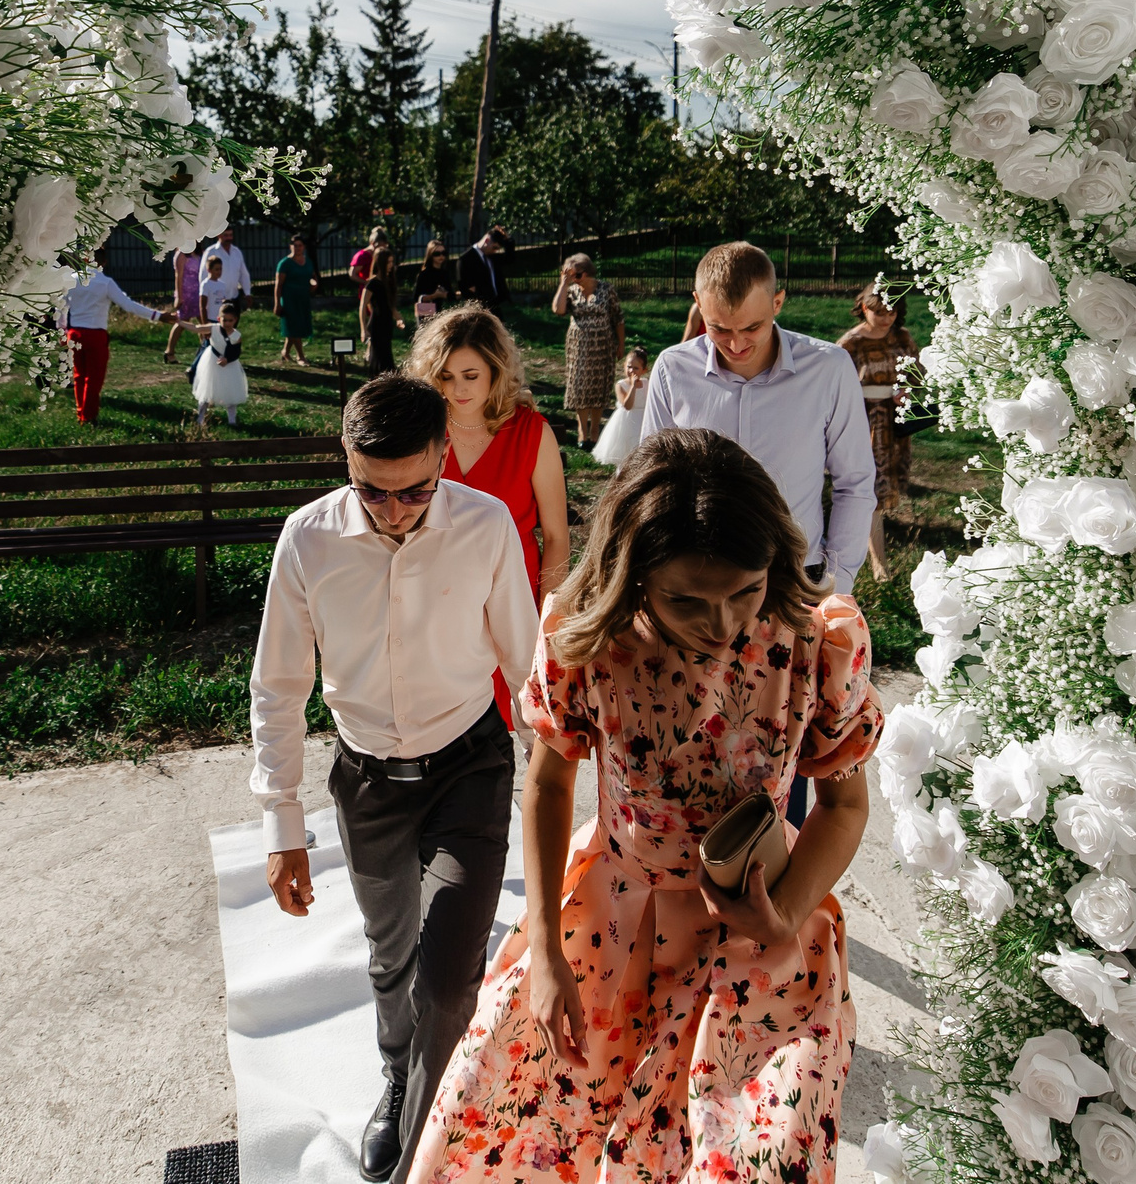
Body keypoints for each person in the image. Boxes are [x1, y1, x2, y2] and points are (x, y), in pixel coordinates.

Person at [406, 429, 883, 1184]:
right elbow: (550, 783)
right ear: (633, 575)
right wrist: (544, 951)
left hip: (761, 930)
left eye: (745, 591)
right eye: (687, 599)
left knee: (750, 1157)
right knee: (522, 1118)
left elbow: (846, 805)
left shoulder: (821, 641)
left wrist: (787, 909)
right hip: (611, 914)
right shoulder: (583, 636)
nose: (723, 623)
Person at [251, 376, 541, 1183]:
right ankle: (396, 1072)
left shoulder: (484, 526)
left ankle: (424, 1139)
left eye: (416, 488)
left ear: (446, 453)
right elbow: (278, 684)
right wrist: (282, 825)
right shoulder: (307, 539)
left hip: (468, 768)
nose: (396, 509)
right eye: (372, 491)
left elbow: (526, 664)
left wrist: (556, 780)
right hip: (368, 779)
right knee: (391, 959)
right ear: (345, 460)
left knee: (449, 982)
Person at [638, 241, 875, 827]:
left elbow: (854, 484)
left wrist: (833, 585)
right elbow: (648, 485)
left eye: (753, 326)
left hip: (788, 597)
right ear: (697, 305)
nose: (738, 343)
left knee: (776, 767)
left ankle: (772, 900)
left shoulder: (828, 370)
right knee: (681, 759)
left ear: (780, 302)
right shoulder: (673, 369)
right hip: (689, 600)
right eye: (720, 329)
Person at [407, 305, 570, 726]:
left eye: (470, 376)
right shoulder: (419, 431)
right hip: (437, 606)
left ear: (495, 371)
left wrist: (547, 619)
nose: (457, 389)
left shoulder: (532, 431)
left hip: (514, 600)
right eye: (445, 376)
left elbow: (555, 535)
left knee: (530, 727)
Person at [838, 281, 919, 581]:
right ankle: (878, 562)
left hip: (894, 420)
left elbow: (915, 371)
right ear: (863, 308)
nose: (886, 318)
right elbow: (836, 386)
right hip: (864, 421)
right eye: (879, 312)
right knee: (871, 488)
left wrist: (905, 390)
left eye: (892, 312)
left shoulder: (902, 337)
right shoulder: (850, 344)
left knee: (887, 485)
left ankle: (877, 536)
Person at [57, 247, 176, 425]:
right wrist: (158, 315)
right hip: (95, 333)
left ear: (85, 260)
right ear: (104, 263)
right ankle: (89, 416)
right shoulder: (105, 283)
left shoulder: (72, 280)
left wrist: (62, 331)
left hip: (74, 333)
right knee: (94, 378)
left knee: (79, 375)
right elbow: (128, 305)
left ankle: (81, 413)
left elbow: (61, 308)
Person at [548, 253, 621, 448]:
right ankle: (582, 430)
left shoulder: (606, 290)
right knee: (579, 386)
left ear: (587, 273)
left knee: (598, 387)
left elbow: (618, 319)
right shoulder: (571, 291)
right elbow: (558, 310)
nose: (574, 279)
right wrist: (564, 284)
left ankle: (595, 430)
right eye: (570, 276)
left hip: (602, 345)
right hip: (578, 346)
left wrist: (620, 344)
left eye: (576, 275)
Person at [587, 346, 648, 467]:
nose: (631, 371)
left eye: (636, 368)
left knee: (641, 450)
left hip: (642, 419)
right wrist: (633, 387)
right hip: (626, 421)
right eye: (629, 367)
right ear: (624, 365)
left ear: (644, 370)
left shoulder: (647, 383)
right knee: (624, 452)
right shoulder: (621, 385)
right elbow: (628, 405)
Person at [194, 298, 249, 427]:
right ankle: (200, 418)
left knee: (230, 392)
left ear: (235, 320)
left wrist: (227, 359)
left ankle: (232, 420)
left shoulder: (236, 335)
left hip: (230, 366)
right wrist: (180, 322)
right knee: (206, 390)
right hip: (211, 362)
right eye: (225, 320)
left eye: (231, 320)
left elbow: (236, 352)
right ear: (219, 319)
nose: (228, 323)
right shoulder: (214, 329)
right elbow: (196, 328)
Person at [359, 234, 404, 375]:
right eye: (388, 262)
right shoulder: (372, 283)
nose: (391, 265)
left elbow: (390, 305)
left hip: (387, 324)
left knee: (386, 358)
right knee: (381, 361)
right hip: (376, 325)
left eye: (392, 262)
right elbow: (362, 306)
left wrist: (399, 319)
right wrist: (363, 329)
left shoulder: (388, 282)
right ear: (380, 263)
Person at [273, 233, 316, 365]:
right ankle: (300, 356)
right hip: (289, 299)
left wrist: (315, 283)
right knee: (294, 326)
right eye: (295, 245)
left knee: (298, 327)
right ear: (290, 246)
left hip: (303, 299)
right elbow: (278, 285)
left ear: (304, 247)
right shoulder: (285, 263)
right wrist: (277, 303)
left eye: (300, 246)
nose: (297, 248)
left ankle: (285, 351)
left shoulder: (307, 261)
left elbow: (312, 276)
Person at [163, 240, 206, 362]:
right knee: (182, 321)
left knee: (203, 322)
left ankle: (204, 350)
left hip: (198, 291)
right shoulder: (181, 254)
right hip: (186, 293)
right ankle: (169, 351)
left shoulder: (199, 253)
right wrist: (179, 296)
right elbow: (179, 275)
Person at [457, 227, 508, 311]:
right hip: (478, 307)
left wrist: (508, 240)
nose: (495, 251)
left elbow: (509, 259)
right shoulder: (465, 259)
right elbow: (465, 288)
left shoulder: (491, 257)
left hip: (495, 304)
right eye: (494, 248)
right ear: (487, 241)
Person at [413, 238, 453, 320]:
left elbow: (451, 294)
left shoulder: (444, 273)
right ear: (430, 255)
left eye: (443, 253)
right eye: (437, 253)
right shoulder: (424, 274)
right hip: (427, 311)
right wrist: (434, 296)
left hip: (441, 311)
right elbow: (417, 298)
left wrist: (446, 295)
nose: (441, 256)